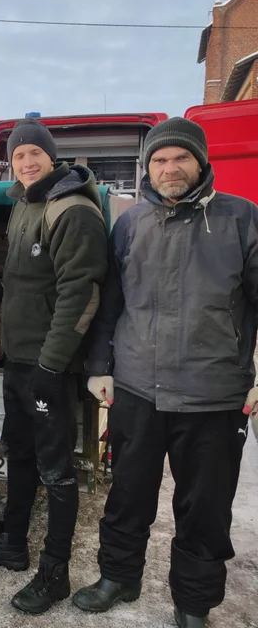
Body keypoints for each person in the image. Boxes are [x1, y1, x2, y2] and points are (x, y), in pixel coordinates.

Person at [72, 117, 258, 628]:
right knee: (128, 494)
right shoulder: (131, 224)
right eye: (159, 160)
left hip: (214, 395)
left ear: (200, 162)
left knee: (204, 509)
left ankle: (194, 603)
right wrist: (98, 367)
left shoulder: (242, 218)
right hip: (137, 388)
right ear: (147, 168)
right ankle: (119, 576)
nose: (169, 168)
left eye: (180, 158)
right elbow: (110, 301)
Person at [0, 118, 108, 615]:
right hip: (20, 358)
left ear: (51, 156)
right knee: (18, 452)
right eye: (17, 154)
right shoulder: (24, 204)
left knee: (57, 468)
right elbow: (29, 269)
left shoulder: (72, 209)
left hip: (49, 364)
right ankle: (13, 541)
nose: (25, 161)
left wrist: (52, 363)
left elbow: (80, 293)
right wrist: (5, 288)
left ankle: (55, 571)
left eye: (33, 153)